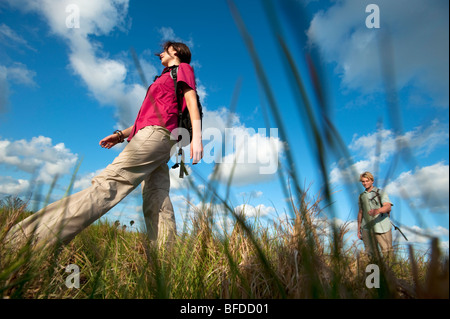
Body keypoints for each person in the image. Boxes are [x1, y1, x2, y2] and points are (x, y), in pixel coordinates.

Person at [6, 41, 203, 249]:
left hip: (157, 136)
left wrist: (196, 138)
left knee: (108, 184)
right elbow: (144, 119)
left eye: (165, 50)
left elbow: (190, 101)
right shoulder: (163, 78)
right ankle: (165, 260)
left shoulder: (182, 69)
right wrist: (120, 135)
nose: (160, 53)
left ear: (176, 52)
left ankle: (26, 241)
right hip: (157, 139)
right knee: (157, 199)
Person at [357, 171, 393, 258]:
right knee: (370, 254)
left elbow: (388, 207)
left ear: (372, 181)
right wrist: (358, 229)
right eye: (363, 181)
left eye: (367, 181)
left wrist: (377, 211)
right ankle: (373, 271)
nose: (365, 183)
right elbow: (361, 212)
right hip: (367, 228)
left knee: (387, 253)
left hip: (382, 227)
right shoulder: (361, 196)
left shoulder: (380, 192)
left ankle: (389, 271)